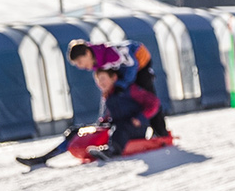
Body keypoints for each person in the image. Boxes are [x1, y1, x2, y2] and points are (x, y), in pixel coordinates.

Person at [17, 66, 164, 166]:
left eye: (103, 79)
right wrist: (102, 123)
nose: (100, 83)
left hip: (134, 126)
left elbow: (154, 103)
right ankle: (46, 157)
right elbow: (108, 115)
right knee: (76, 131)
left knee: (120, 128)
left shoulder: (129, 90)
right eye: (98, 80)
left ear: (113, 77)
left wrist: (141, 118)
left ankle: (112, 150)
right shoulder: (108, 95)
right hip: (116, 126)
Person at [66, 38, 168, 137]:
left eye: (80, 61)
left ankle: (161, 132)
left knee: (146, 94)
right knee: (120, 94)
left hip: (140, 60)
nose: (80, 66)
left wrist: (122, 84)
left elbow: (132, 65)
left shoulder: (111, 54)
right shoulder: (97, 62)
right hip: (126, 68)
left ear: (87, 53)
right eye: (77, 64)